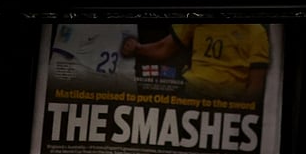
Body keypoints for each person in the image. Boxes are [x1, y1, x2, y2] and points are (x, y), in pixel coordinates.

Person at [121, 23, 271, 100]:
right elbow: (164, 48)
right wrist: (137, 48)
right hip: (192, 97)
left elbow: (256, 87)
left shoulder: (255, 32)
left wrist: (239, 112)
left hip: (229, 102)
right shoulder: (200, 17)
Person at [48, 22, 139, 91]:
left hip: (109, 88)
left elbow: (127, 71)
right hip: (79, 86)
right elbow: (58, 62)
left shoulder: (130, 25)